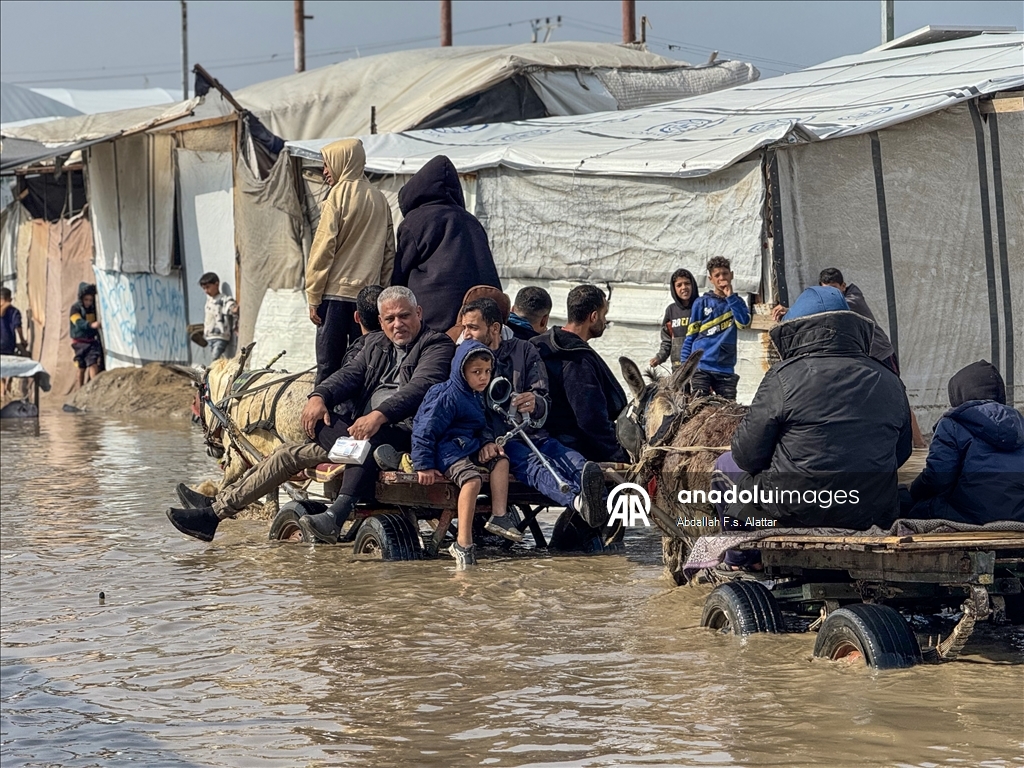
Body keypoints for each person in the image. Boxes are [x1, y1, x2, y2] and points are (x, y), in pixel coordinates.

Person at [166, 286, 454, 544]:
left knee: (368, 441)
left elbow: (420, 388)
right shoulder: (376, 344)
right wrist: (319, 396)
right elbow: (349, 375)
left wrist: (378, 415)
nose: (397, 324)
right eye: (390, 319)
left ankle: (337, 515)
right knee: (291, 450)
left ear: (418, 313)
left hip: (408, 433)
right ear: (380, 322)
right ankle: (213, 514)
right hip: (358, 435)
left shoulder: (436, 345)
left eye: (404, 316)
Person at [714, 286, 913, 547]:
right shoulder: (890, 380)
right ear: (853, 328)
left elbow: (746, 455)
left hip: (797, 510)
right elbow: (902, 453)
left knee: (725, 465)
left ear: (795, 331)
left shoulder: (782, 377)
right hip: (872, 511)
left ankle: (741, 559)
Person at [458, 298, 608, 529]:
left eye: (473, 328)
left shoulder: (524, 349)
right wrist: (486, 440)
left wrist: (535, 403)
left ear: (495, 328)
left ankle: (600, 500)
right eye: (465, 327)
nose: (466, 334)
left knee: (570, 458)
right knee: (534, 466)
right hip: (499, 442)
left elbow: (543, 396)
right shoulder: (464, 359)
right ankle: (578, 502)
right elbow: (466, 408)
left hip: (533, 433)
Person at [412, 340, 517, 568]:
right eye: (476, 372)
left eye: (487, 372)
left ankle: (499, 514)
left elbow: (482, 426)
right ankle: (463, 543)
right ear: (461, 371)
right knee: (472, 479)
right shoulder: (446, 395)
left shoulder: (476, 395)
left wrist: (488, 442)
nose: (483, 378)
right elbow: (425, 429)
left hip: (469, 446)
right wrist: (423, 464)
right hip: (448, 450)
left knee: (501, 459)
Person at [307, 138, 395, 384]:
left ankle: (325, 419)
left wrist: (314, 296)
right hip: (367, 300)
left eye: (327, 164)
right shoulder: (380, 199)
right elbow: (389, 253)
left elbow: (323, 249)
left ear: (342, 163)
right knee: (364, 367)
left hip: (334, 297)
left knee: (328, 368)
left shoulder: (336, 197)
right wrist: (381, 295)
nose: (325, 171)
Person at [391, 155, 500, 332]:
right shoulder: (472, 221)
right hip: (476, 317)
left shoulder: (415, 221)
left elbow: (399, 275)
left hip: (432, 316)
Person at [907, 361, 1023, 524]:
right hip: (1018, 515)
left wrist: (913, 489)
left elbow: (938, 478)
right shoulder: (1019, 424)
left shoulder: (952, 424)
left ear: (959, 393)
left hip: (968, 516)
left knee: (907, 503)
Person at [532, 285, 629, 464]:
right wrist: (621, 456)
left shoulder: (539, 344)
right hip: (575, 453)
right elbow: (591, 420)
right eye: (603, 314)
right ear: (593, 317)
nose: (605, 321)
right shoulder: (576, 359)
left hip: (542, 445)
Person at [679, 257, 750, 400]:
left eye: (725, 274)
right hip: (701, 367)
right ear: (711, 279)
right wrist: (684, 367)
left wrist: (730, 297)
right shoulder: (701, 302)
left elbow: (743, 323)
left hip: (725, 367)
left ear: (732, 275)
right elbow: (691, 337)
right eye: (717, 275)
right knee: (698, 408)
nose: (722, 278)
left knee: (729, 411)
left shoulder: (738, 302)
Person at [649, 268, 699, 369]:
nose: (684, 287)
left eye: (687, 283)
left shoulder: (701, 306)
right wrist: (659, 357)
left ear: (693, 285)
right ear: (674, 288)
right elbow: (667, 341)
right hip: (678, 368)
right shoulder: (671, 311)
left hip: (699, 367)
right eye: (679, 285)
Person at [69, 282, 103, 388]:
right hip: (79, 343)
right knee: (81, 367)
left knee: (93, 363)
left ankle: (94, 388)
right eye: (86, 300)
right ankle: (80, 389)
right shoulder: (75, 309)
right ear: (81, 299)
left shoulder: (94, 308)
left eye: (90, 300)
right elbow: (78, 322)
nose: (88, 302)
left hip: (91, 342)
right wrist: (91, 325)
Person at [198, 272, 238, 361]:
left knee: (215, 358)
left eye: (208, 287)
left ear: (216, 284)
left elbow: (230, 306)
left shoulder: (223, 299)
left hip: (221, 336)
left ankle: (210, 373)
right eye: (204, 288)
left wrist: (234, 310)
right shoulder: (209, 301)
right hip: (210, 336)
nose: (206, 291)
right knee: (217, 358)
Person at [0, 287, 26, 356]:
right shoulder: (15, 311)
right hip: (8, 345)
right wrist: (22, 340)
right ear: (9, 298)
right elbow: (18, 327)